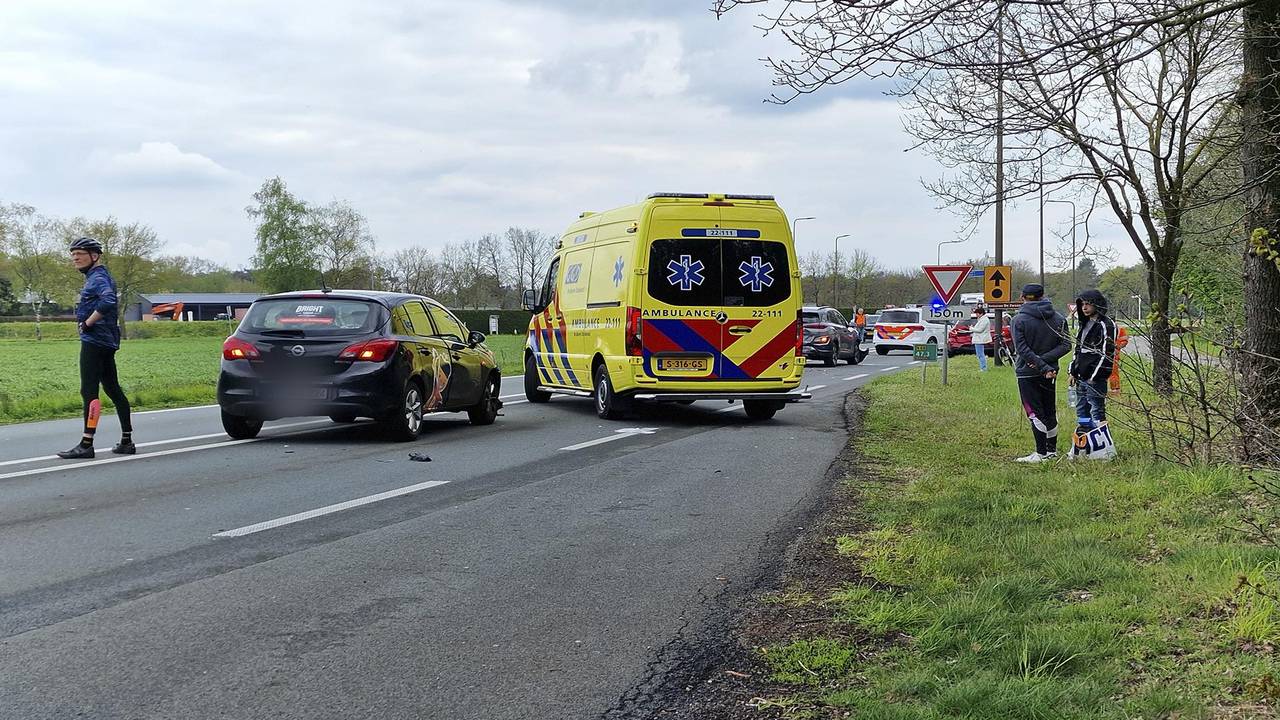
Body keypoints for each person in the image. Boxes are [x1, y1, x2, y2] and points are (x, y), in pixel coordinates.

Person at [57, 237, 135, 459]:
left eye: (79, 254)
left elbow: (108, 301)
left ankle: (86, 444)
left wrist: (87, 323)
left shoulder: (97, 278)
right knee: (112, 389)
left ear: (95, 255)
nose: (75, 258)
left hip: (95, 341)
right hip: (107, 341)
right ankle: (127, 441)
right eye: (73, 255)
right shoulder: (101, 276)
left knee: (89, 391)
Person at [1010, 283, 1070, 463]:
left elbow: (1021, 349)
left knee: (1034, 412)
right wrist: (1046, 363)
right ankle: (1051, 450)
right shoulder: (1059, 318)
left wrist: (1039, 364)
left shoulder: (1018, 320)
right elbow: (1066, 345)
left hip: (1028, 372)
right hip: (1051, 372)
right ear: (1043, 295)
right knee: (1049, 410)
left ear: (1023, 297)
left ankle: (1041, 453)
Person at [1068, 289, 1119, 460]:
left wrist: (1094, 377)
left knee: (1097, 410)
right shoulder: (1084, 324)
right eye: (1082, 304)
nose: (1084, 307)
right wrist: (1073, 372)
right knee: (1082, 410)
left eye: (1088, 303)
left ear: (1097, 304)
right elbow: (1077, 350)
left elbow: (1107, 353)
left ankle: (1103, 449)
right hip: (1081, 377)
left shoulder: (1106, 324)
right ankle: (1085, 445)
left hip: (1095, 378)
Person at [969, 305, 992, 371]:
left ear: (981, 313)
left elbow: (980, 330)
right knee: (980, 354)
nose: (976, 315)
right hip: (979, 339)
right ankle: (983, 368)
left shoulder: (984, 320)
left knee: (980, 355)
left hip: (980, 339)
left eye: (977, 313)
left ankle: (983, 368)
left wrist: (971, 329)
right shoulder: (982, 319)